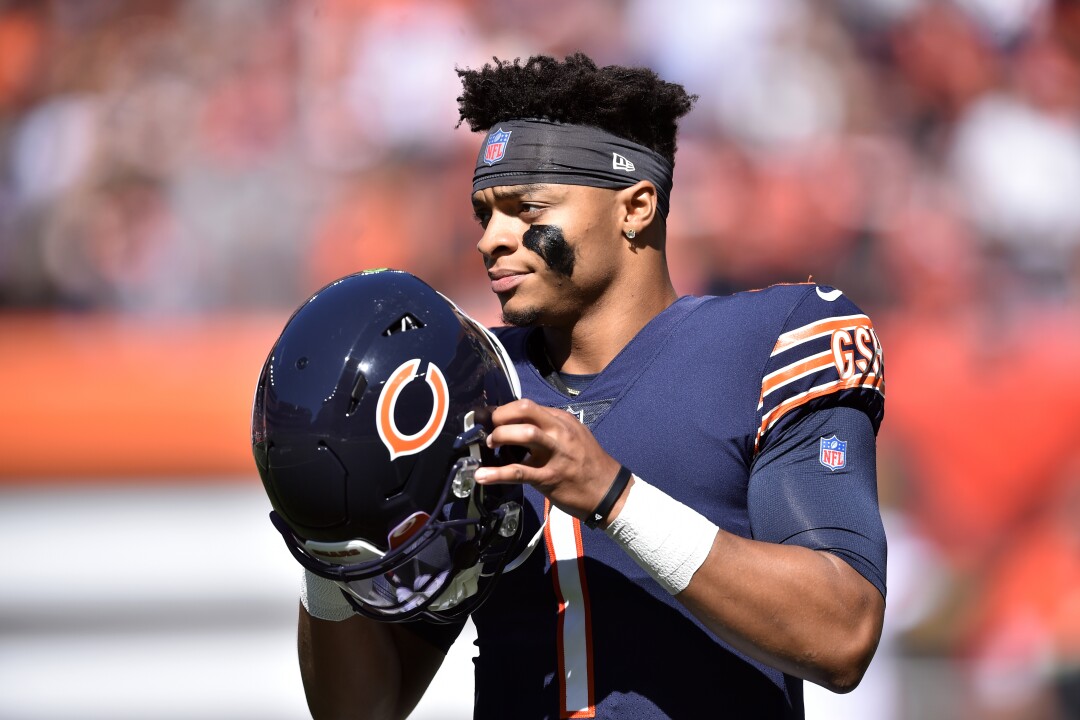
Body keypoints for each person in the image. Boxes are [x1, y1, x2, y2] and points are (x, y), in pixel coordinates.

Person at [285, 53, 887, 719]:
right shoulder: (476, 381)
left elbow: (842, 633)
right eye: (484, 214)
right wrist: (326, 543)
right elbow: (359, 710)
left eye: (526, 209)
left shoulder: (770, 337)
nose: (492, 239)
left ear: (635, 207)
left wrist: (614, 496)